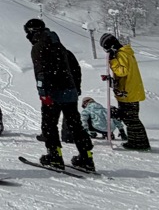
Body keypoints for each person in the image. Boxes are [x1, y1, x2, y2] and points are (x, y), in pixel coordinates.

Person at [24, 18, 94, 171]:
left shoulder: (39, 47)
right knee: (75, 125)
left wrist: (43, 94)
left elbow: (40, 72)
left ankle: (55, 156)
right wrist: (76, 88)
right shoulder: (59, 45)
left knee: (49, 125)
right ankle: (86, 157)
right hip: (70, 92)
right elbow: (75, 68)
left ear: (31, 32)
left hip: (53, 93)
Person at [100, 32, 151, 151]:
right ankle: (137, 141)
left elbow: (122, 71)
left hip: (128, 92)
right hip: (130, 90)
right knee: (130, 118)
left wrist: (112, 61)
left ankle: (139, 143)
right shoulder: (126, 52)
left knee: (131, 119)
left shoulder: (122, 54)